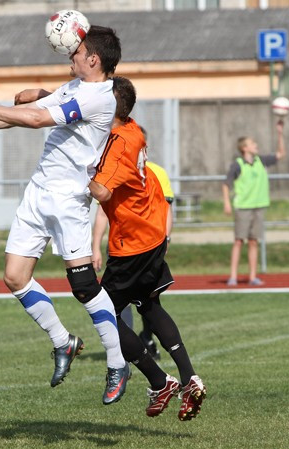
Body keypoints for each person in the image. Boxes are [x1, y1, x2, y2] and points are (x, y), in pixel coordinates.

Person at [0, 25, 129, 405]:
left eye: (76, 51)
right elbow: (28, 111)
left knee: (83, 286)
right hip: (39, 192)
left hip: (69, 200)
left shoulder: (100, 97)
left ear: (93, 59)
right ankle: (64, 342)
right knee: (14, 277)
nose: (70, 55)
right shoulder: (74, 87)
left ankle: (117, 362)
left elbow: (34, 121)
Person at [89, 76, 206, 421]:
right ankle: (189, 377)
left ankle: (159, 380)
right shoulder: (132, 127)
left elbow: (102, 191)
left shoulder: (119, 144)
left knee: (104, 313)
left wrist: (75, 179)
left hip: (132, 241)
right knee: (150, 305)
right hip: (151, 231)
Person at [91, 132, 175, 362]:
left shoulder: (156, 172)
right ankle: (126, 347)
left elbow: (166, 209)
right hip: (120, 246)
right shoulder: (114, 171)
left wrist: (165, 239)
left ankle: (146, 340)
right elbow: (101, 211)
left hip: (148, 246)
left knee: (149, 301)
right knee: (117, 302)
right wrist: (96, 246)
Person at [222, 120, 286, 286]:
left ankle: (252, 277)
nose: (256, 145)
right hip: (243, 207)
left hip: (258, 206)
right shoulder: (237, 164)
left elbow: (280, 154)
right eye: (252, 143)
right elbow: (226, 184)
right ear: (244, 148)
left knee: (253, 241)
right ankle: (233, 276)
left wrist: (280, 133)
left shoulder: (261, 160)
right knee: (238, 241)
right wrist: (227, 203)